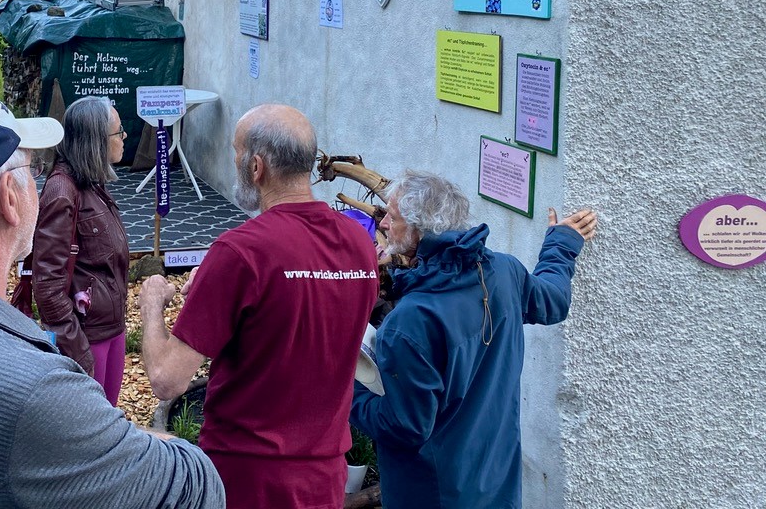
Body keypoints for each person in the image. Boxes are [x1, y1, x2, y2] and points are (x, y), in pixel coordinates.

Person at [0, 84, 225, 509]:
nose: (43, 178)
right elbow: (201, 488)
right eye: (32, 168)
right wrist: (135, 438)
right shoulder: (35, 391)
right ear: (9, 199)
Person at [139, 104, 379, 509]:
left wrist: (150, 305)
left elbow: (166, 379)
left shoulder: (240, 252)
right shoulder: (359, 244)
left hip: (248, 478)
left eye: (236, 155)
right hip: (325, 476)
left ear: (256, 167)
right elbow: (304, 314)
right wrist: (222, 296)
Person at [349, 171, 598, 509]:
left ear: (418, 228)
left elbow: (403, 427)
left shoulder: (410, 321)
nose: (384, 225)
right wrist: (561, 243)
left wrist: (350, 390)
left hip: (430, 495)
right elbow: (553, 300)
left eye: (392, 216)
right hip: (497, 485)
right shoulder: (503, 272)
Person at [32, 95, 130, 403]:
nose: (124, 137)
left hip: (111, 328)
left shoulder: (92, 184)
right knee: (91, 428)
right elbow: (47, 286)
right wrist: (78, 349)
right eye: (118, 132)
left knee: (108, 415)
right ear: (96, 141)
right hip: (87, 339)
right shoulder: (63, 191)